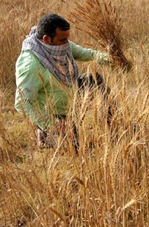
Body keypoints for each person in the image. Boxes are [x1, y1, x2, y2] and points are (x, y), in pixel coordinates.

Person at [15, 13, 110, 148]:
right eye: (62, 40)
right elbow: (22, 103)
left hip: (70, 96)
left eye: (67, 39)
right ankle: (44, 135)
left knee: (94, 79)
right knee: (77, 147)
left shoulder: (60, 45)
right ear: (47, 39)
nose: (67, 44)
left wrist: (112, 59)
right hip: (52, 113)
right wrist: (52, 124)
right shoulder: (31, 65)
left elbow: (88, 54)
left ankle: (114, 124)